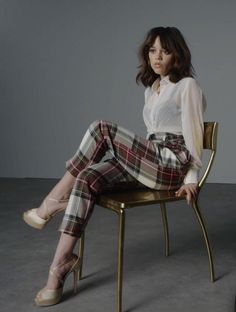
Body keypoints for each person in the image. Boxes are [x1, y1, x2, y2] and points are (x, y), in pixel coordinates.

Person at [23, 26, 206, 306]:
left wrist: (191, 178)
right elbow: (150, 135)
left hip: (172, 164)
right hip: (151, 159)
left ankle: (53, 200)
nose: (157, 57)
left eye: (165, 51)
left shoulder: (187, 86)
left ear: (177, 55)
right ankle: (58, 268)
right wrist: (132, 159)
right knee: (87, 177)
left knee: (101, 129)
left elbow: (194, 137)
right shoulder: (152, 88)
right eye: (152, 50)